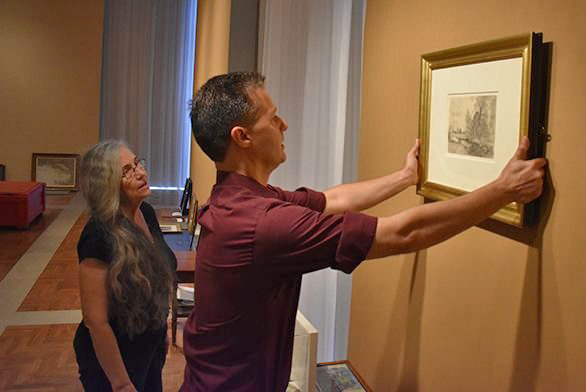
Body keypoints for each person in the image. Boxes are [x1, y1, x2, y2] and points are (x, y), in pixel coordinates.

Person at [180, 72, 546, 391]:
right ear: (242, 137)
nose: (284, 125)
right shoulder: (263, 223)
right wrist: (502, 192)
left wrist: (405, 178)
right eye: (273, 119)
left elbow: (333, 199)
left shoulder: (239, 199)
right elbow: (403, 234)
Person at [73, 141, 177, 392]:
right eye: (127, 171)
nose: (141, 172)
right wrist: (120, 384)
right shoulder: (98, 234)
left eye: (138, 163)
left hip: (149, 346)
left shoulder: (147, 213)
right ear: (106, 184)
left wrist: (162, 328)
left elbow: (156, 275)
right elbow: (95, 321)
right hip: (114, 358)